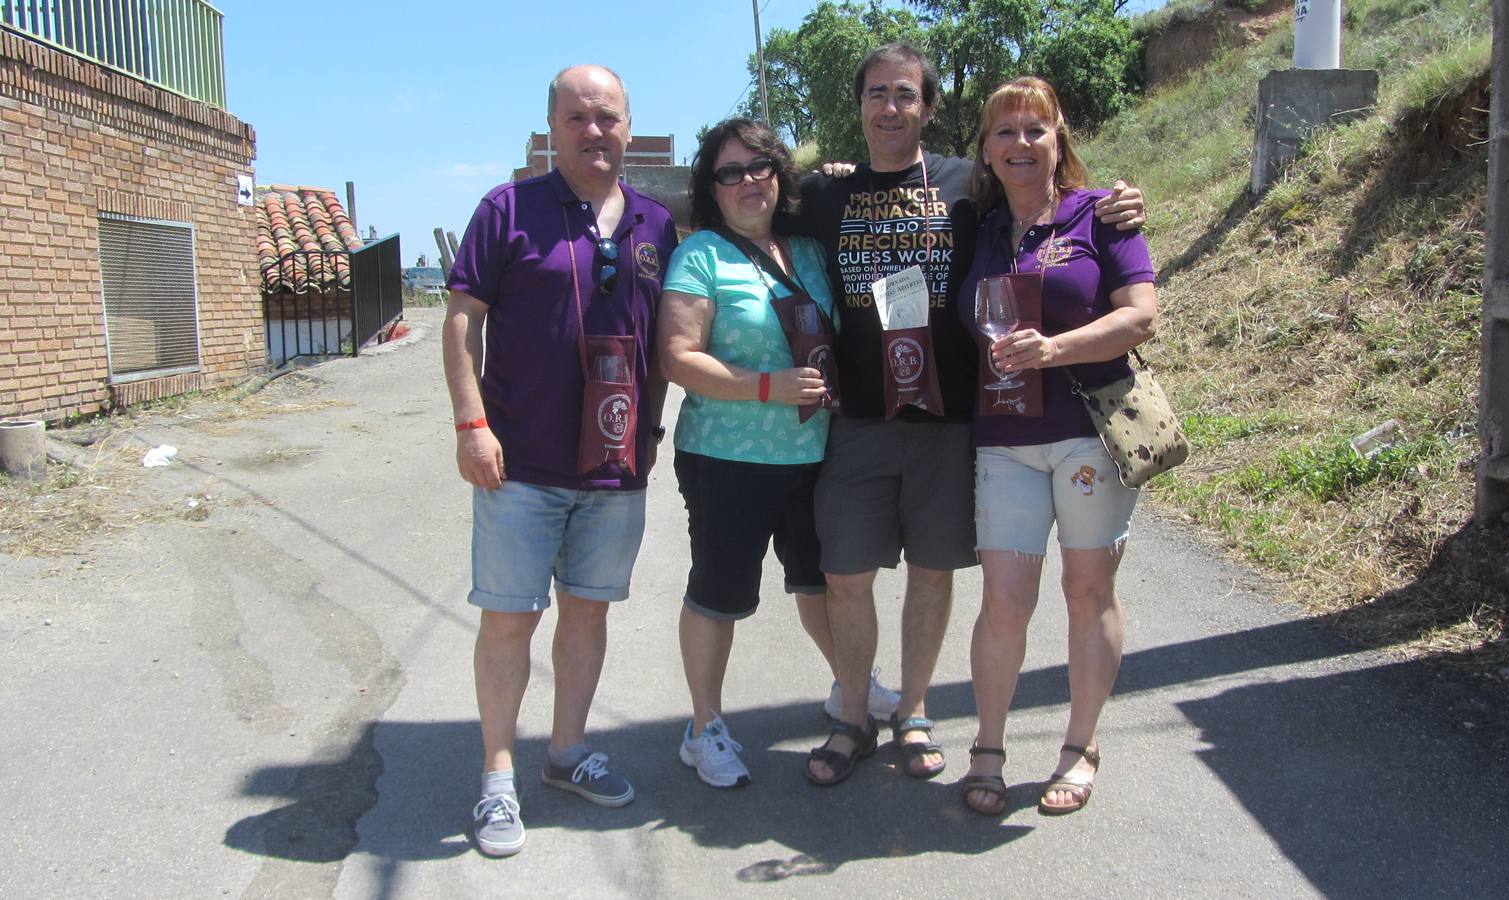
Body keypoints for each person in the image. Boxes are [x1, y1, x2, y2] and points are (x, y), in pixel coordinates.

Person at [788, 42, 1147, 786]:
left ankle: (914, 712)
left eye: (906, 94)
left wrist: (1122, 203)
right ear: (858, 105)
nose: (891, 107)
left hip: (955, 423)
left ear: (929, 108)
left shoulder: (965, 190)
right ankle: (851, 716)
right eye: (877, 94)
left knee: (933, 573)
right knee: (845, 574)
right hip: (859, 421)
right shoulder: (824, 193)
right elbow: (747, 206)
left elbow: (1053, 202)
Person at [443, 64, 678, 856]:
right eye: (576, 117)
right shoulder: (506, 210)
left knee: (587, 613)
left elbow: (667, 338)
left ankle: (567, 752)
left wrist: (652, 433)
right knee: (509, 620)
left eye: (606, 115)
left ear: (627, 125)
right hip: (519, 464)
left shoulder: (655, 223)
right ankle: (497, 777)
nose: (593, 130)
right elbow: (461, 322)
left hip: (616, 466)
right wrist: (471, 424)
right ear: (552, 128)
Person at [953, 76, 1157, 816]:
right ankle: (987, 746)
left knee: (1086, 591)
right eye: (1004, 131)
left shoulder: (1100, 215)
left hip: (1087, 435)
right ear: (985, 148)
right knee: (1004, 600)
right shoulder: (976, 228)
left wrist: (1054, 349)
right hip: (1003, 441)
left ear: (1058, 138)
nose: (1021, 143)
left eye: (1035, 129)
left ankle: (1079, 746)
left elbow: (1140, 317)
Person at [658, 118, 847, 788]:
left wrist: (843, 176)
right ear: (712, 187)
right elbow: (677, 357)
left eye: (759, 166)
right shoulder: (700, 256)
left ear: (779, 174)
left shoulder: (810, 250)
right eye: (729, 172)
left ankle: (852, 687)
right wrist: (768, 386)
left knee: (822, 585)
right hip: (726, 459)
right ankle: (703, 727)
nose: (747, 182)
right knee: (719, 593)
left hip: (813, 452)